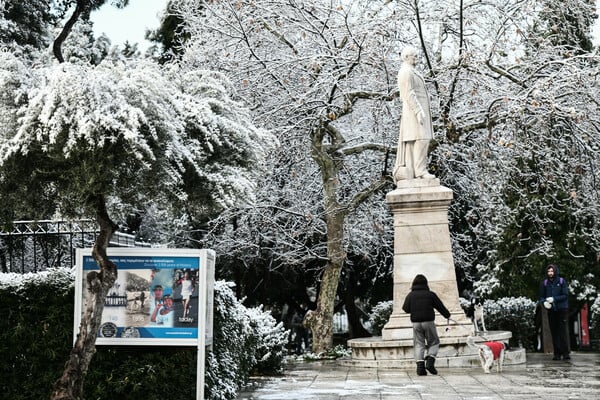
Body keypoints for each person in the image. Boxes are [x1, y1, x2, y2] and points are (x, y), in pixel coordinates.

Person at [393, 46, 435, 182]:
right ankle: (420, 171)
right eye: (414, 56)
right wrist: (418, 111)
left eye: (417, 56)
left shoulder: (412, 71)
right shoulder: (405, 71)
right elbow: (408, 93)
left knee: (423, 139)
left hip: (419, 111)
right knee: (421, 138)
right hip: (413, 112)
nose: (416, 58)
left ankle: (418, 169)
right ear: (406, 57)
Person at [402, 274, 451, 375]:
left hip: (416, 323)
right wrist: (447, 315)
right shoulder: (430, 294)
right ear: (426, 283)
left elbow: (405, 309)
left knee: (419, 344)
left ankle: (420, 367)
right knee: (434, 341)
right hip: (428, 322)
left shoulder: (410, 295)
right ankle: (430, 360)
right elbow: (440, 306)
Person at [539, 263, 570, 360]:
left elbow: (565, 295)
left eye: (552, 271)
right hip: (551, 310)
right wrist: (544, 302)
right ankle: (557, 353)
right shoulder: (545, 283)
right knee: (554, 331)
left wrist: (554, 299)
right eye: (548, 271)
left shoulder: (561, 281)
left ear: (555, 271)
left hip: (561, 309)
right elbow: (541, 296)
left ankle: (565, 353)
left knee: (562, 331)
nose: (550, 273)